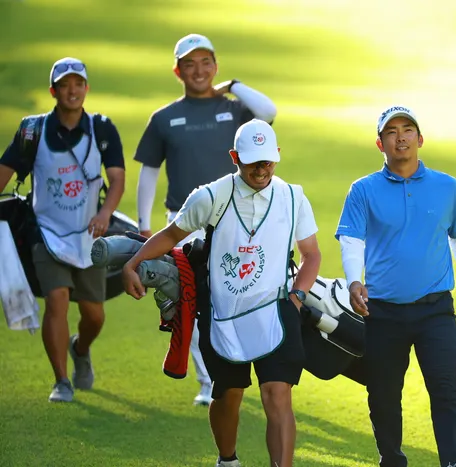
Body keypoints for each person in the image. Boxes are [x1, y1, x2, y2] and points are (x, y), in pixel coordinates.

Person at [123, 119, 321, 467]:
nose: (261, 169)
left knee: (278, 395)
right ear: (235, 157)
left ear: (277, 155)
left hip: (276, 312)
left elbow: (311, 254)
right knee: (229, 394)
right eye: (252, 162)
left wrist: (296, 298)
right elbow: (170, 235)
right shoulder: (210, 196)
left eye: (267, 161)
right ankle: (227, 460)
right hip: (222, 314)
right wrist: (133, 263)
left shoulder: (293, 197)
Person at [335, 106, 456, 467]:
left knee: (446, 388)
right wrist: (354, 280)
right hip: (382, 311)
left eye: (408, 129)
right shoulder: (363, 190)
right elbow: (351, 240)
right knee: (383, 395)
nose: (401, 137)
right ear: (380, 143)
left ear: (420, 139)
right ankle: (392, 460)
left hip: (434, 309)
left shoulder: (446, 187)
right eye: (391, 132)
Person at [133, 33, 278, 406]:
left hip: (238, 221)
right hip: (185, 223)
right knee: (194, 300)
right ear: (177, 71)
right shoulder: (164, 118)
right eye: (189, 64)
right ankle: (208, 381)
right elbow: (149, 171)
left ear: (215, 66)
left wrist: (234, 86)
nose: (198, 71)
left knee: (242, 296)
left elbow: (268, 112)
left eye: (205, 62)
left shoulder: (236, 110)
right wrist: (144, 223)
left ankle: (245, 371)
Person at [0, 57, 126, 403]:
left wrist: (105, 213)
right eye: (64, 85)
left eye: (78, 84)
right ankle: (61, 381)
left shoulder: (102, 129)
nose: (72, 90)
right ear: (53, 91)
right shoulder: (32, 131)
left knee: (94, 315)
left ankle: (80, 348)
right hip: (46, 233)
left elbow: (117, 179)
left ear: (86, 88)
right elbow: (5, 172)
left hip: (90, 236)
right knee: (57, 301)